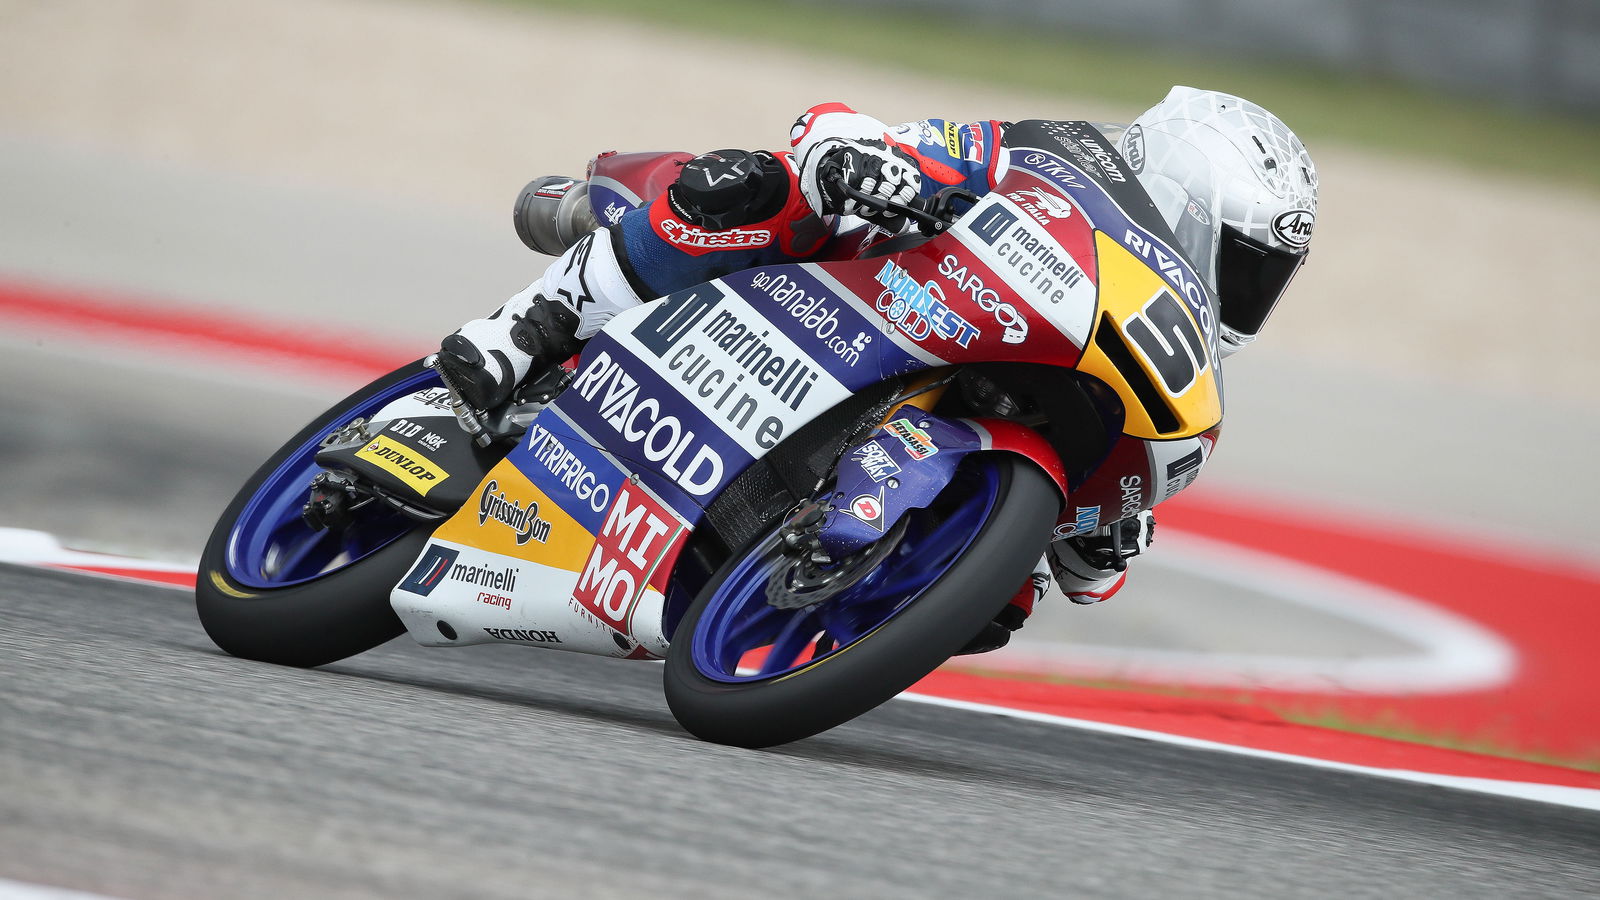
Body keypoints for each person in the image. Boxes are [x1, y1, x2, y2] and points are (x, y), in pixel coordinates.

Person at [435, 86, 1320, 653]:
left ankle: (770, 593)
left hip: (948, 374)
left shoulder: (1156, 335)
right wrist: (875, 161)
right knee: (756, 185)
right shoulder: (1057, 153)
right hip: (847, 279)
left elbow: (1093, 582)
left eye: (1262, 280)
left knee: (1003, 603)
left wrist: (1104, 517)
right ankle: (527, 325)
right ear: (1186, 191)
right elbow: (878, 136)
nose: (1243, 289)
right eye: (1240, 261)